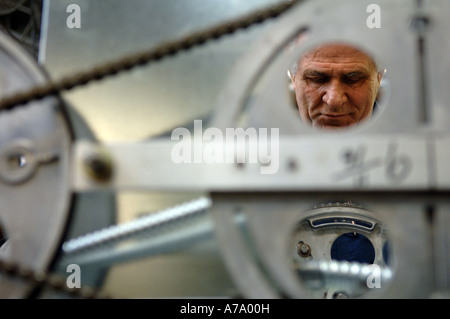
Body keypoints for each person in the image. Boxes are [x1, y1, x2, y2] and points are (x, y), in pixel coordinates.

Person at [290, 43, 383, 130]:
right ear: (293, 77)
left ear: (379, 77)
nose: (334, 100)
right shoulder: (276, 142)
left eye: (353, 80)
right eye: (317, 79)